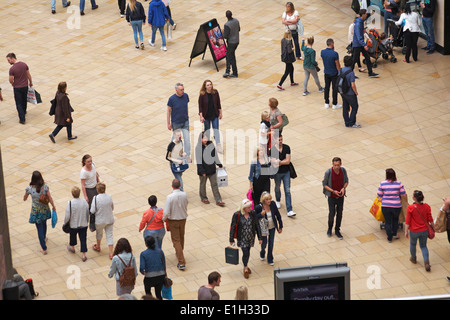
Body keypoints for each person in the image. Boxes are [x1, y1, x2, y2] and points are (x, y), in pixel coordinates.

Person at [24, 171, 56, 255]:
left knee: (39, 229)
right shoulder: (45, 187)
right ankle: (44, 237)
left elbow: (25, 197)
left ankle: (44, 248)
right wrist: (53, 206)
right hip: (44, 209)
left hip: (36, 211)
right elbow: (50, 197)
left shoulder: (29, 188)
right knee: (44, 223)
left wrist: (25, 197)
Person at [229, 199, 262, 279]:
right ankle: (245, 267)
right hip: (242, 238)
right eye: (248, 207)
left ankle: (245, 264)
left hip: (250, 236)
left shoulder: (253, 213)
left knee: (248, 251)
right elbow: (233, 227)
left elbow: (257, 225)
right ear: (244, 208)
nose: (250, 209)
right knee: (245, 252)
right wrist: (231, 239)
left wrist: (260, 237)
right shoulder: (237, 215)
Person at [405, 190, 434, 272]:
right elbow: (430, 219)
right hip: (424, 230)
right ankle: (426, 263)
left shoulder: (410, 208)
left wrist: (406, 231)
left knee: (413, 244)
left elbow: (407, 221)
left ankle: (413, 258)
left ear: (414, 198)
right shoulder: (427, 207)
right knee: (423, 246)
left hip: (414, 231)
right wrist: (433, 228)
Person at [163, 179, 188, 270]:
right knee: (181, 237)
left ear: (172, 186)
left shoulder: (169, 197)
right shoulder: (184, 194)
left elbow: (166, 211)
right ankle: (180, 253)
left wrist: (163, 219)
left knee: (176, 240)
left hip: (173, 220)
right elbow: (186, 203)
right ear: (180, 185)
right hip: (183, 218)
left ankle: (181, 261)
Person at [195, 131, 225, 207]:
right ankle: (203, 197)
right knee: (203, 185)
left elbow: (215, 156)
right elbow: (199, 161)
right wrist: (202, 171)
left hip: (212, 169)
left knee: (214, 184)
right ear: (200, 139)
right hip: (203, 171)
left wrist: (219, 164)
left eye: (206, 137)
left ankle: (218, 200)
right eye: (203, 138)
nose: (205, 139)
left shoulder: (211, 145)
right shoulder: (198, 148)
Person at [377, 168, 407, 243]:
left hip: (385, 206)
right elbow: (403, 194)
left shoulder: (382, 183)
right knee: (395, 220)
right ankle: (394, 234)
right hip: (396, 206)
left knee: (387, 221)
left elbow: (379, 194)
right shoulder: (399, 184)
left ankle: (389, 238)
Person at [322, 157, 348, 239]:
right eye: (335, 165)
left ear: (341, 164)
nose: (336, 167)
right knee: (332, 213)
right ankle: (330, 228)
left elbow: (346, 181)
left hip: (340, 196)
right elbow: (324, 184)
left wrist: (343, 188)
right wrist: (333, 191)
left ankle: (337, 229)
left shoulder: (343, 171)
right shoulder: (328, 172)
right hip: (332, 197)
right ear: (332, 164)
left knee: (340, 213)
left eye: (338, 165)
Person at [270, 135, 296, 217]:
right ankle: (278, 200)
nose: (280, 141)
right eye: (279, 140)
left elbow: (288, 161)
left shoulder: (286, 147)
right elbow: (274, 164)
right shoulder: (273, 150)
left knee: (287, 190)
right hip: (277, 172)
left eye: (281, 140)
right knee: (277, 187)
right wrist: (280, 162)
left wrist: (279, 162)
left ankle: (289, 209)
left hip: (286, 172)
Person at [255, 192, 283, 266]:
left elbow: (278, 215)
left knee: (271, 243)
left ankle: (270, 258)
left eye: (270, 199)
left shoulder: (273, 204)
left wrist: (280, 226)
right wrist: (260, 214)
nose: (269, 201)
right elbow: (254, 218)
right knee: (264, 243)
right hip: (264, 228)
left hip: (272, 227)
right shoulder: (258, 207)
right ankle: (262, 251)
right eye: (267, 199)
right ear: (263, 200)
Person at [6, 53, 33, 124]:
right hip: (25, 86)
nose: (8, 62)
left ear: (12, 58)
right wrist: (30, 82)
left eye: (9, 60)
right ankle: (24, 111)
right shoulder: (24, 64)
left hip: (17, 87)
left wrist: (13, 84)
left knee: (18, 103)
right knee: (24, 100)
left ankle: (22, 119)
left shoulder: (12, 69)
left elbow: (10, 80)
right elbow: (28, 75)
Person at [90, 182, 115, 259]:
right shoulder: (109, 196)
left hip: (100, 220)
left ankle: (98, 246)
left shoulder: (95, 198)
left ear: (97, 190)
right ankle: (111, 253)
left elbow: (92, 210)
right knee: (109, 235)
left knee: (99, 233)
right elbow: (112, 207)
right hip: (109, 219)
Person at [352, 9, 379, 78]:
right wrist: (364, 45)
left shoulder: (361, 21)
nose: (367, 15)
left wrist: (364, 31)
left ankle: (370, 73)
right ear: (363, 15)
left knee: (367, 57)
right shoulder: (358, 24)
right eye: (366, 14)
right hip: (357, 44)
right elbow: (358, 36)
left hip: (360, 44)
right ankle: (350, 74)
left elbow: (361, 32)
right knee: (354, 60)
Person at [65, 186, 89, 262]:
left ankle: (72, 247)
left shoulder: (70, 203)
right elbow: (87, 212)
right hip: (83, 223)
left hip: (73, 224)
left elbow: (67, 215)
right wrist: (87, 221)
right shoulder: (84, 201)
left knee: (72, 236)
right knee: (83, 239)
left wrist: (66, 222)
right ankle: (83, 255)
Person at [198, 80, 223, 153]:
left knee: (216, 130)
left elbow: (218, 103)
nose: (209, 86)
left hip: (214, 114)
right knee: (207, 130)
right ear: (205, 86)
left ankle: (218, 145)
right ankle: (207, 145)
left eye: (210, 84)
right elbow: (200, 106)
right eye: (208, 85)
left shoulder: (215, 92)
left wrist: (220, 113)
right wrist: (201, 116)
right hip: (206, 116)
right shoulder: (202, 94)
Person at [167, 83, 191, 160]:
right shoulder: (172, 99)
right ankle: (171, 151)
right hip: (176, 123)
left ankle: (187, 154)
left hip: (185, 121)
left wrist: (187, 116)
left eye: (183, 89)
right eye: (181, 90)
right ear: (176, 90)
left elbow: (186, 106)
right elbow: (168, 111)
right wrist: (168, 123)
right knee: (175, 139)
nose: (183, 91)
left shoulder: (186, 96)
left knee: (187, 139)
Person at [339, 55, 361, 128]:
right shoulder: (351, 72)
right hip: (350, 93)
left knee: (345, 106)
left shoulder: (341, 70)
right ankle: (352, 122)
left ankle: (347, 122)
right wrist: (356, 92)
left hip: (342, 92)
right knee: (354, 107)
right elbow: (353, 85)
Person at [320, 38, 341, 109]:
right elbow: (337, 65)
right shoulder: (335, 54)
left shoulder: (322, 52)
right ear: (332, 44)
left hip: (326, 72)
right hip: (334, 73)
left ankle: (326, 102)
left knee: (327, 87)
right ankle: (334, 104)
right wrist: (340, 73)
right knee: (334, 88)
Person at [223, 10, 240, 78]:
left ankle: (227, 71)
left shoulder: (227, 25)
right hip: (237, 41)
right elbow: (238, 29)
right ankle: (235, 72)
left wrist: (222, 32)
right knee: (232, 56)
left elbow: (226, 36)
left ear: (226, 16)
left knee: (228, 56)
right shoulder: (236, 21)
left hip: (231, 43)